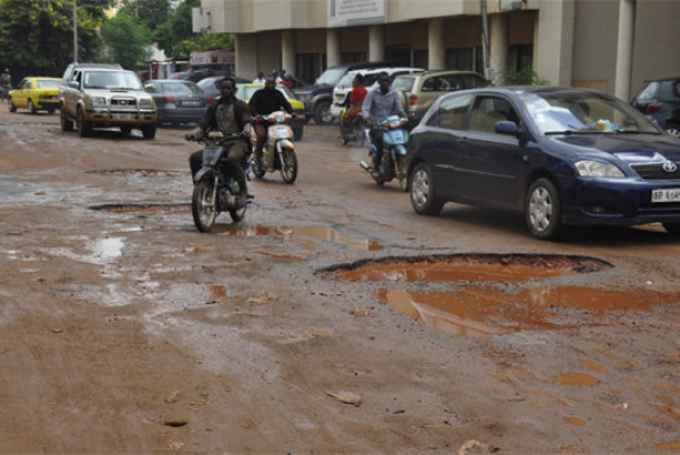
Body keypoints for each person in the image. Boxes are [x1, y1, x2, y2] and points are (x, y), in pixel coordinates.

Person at [187, 77, 253, 180]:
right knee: (195, 158)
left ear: (234, 90)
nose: (225, 90)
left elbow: (246, 120)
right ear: (219, 89)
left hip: (237, 142)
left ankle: (242, 190)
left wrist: (247, 129)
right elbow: (204, 122)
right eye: (223, 88)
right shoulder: (214, 105)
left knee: (232, 159)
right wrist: (194, 133)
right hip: (216, 143)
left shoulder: (240, 105)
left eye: (228, 88)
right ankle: (199, 185)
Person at [361, 72, 405, 170]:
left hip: (391, 123)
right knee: (380, 143)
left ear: (390, 82)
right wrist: (367, 118)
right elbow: (365, 107)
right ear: (379, 82)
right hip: (377, 125)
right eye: (383, 81)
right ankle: (376, 165)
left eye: (387, 81)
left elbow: (399, 108)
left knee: (401, 139)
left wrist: (405, 116)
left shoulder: (394, 93)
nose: (386, 83)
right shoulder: (372, 93)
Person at [248, 76, 294, 168]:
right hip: (260, 121)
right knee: (262, 136)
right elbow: (251, 105)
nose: (271, 85)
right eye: (269, 83)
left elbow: (285, 104)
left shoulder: (278, 93)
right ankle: (258, 158)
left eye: (273, 83)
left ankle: (281, 154)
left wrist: (292, 112)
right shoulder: (259, 93)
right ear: (266, 84)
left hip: (274, 120)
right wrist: (256, 115)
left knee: (283, 134)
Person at [341, 74, 368, 142]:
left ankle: (348, 133)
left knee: (344, 116)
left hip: (356, 109)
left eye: (354, 80)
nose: (353, 82)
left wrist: (350, 109)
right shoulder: (365, 90)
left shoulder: (355, 90)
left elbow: (353, 103)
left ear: (358, 82)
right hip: (364, 110)